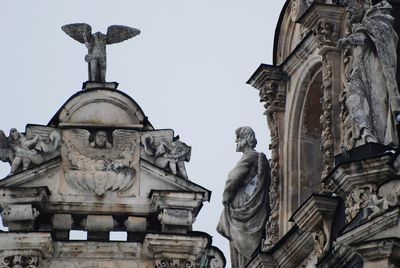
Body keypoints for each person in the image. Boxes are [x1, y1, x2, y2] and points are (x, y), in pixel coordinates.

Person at [338, 0, 400, 147]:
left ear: (360, 2)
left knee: (378, 102)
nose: (348, 12)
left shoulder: (380, 14)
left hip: (376, 69)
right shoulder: (360, 25)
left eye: (349, 6)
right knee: (353, 99)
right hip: (360, 72)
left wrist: (348, 40)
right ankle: (366, 137)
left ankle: (381, 143)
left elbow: (377, 37)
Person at [217, 127, 271, 268]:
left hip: (242, 203)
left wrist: (226, 196)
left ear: (246, 140)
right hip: (250, 202)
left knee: (240, 240)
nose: (236, 141)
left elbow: (233, 177)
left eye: (239, 138)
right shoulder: (257, 157)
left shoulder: (250, 156)